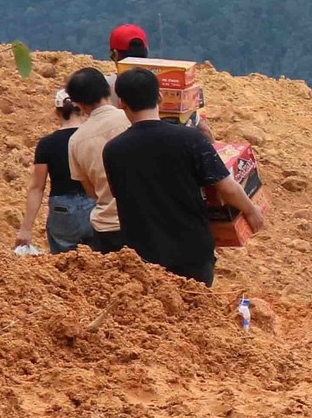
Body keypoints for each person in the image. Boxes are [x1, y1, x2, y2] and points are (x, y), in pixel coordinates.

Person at [100, 66, 264, 284]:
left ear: (122, 104)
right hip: (192, 252)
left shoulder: (113, 150)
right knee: (197, 311)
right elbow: (226, 186)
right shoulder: (190, 139)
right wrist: (252, 211)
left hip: (143, 257)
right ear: (159, 97)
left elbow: (117, 193)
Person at [15, 89, 95, 254]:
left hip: (62, 210)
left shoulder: (47, 144)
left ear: (56, 112)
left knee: (63, 266)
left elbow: (37, 187)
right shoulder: (92, 137)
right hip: (94, 205)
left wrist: (26, 228)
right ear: (83, 109)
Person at [66, 66, 132, 253]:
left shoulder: (76, 141)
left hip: (107, 226)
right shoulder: (130, 119)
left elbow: (91, 192)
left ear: (79, 103)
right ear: (109, 89)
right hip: (144, 221)